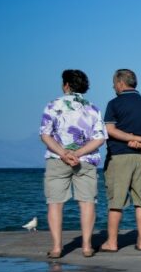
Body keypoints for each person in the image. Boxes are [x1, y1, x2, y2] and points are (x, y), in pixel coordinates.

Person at [39, 69, 107, 259]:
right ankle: (86, 247)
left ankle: (57, 248)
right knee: (87, 203)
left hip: (57, 159)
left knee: (55, 203)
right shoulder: (93, 108)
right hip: (85, 160)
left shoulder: (53, 105)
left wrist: (63, 154)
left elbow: (45, 134)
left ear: (66, 85)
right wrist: (77, 153)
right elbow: (100, 138)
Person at [100, 69, 141, 252]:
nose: (113, 86)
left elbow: (110, 130)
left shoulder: (114, 104)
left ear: (120, 83)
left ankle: (112, 243)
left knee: (116, 202)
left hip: (119, 157)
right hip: (140, 158)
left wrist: (130, 139)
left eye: (114, 83)